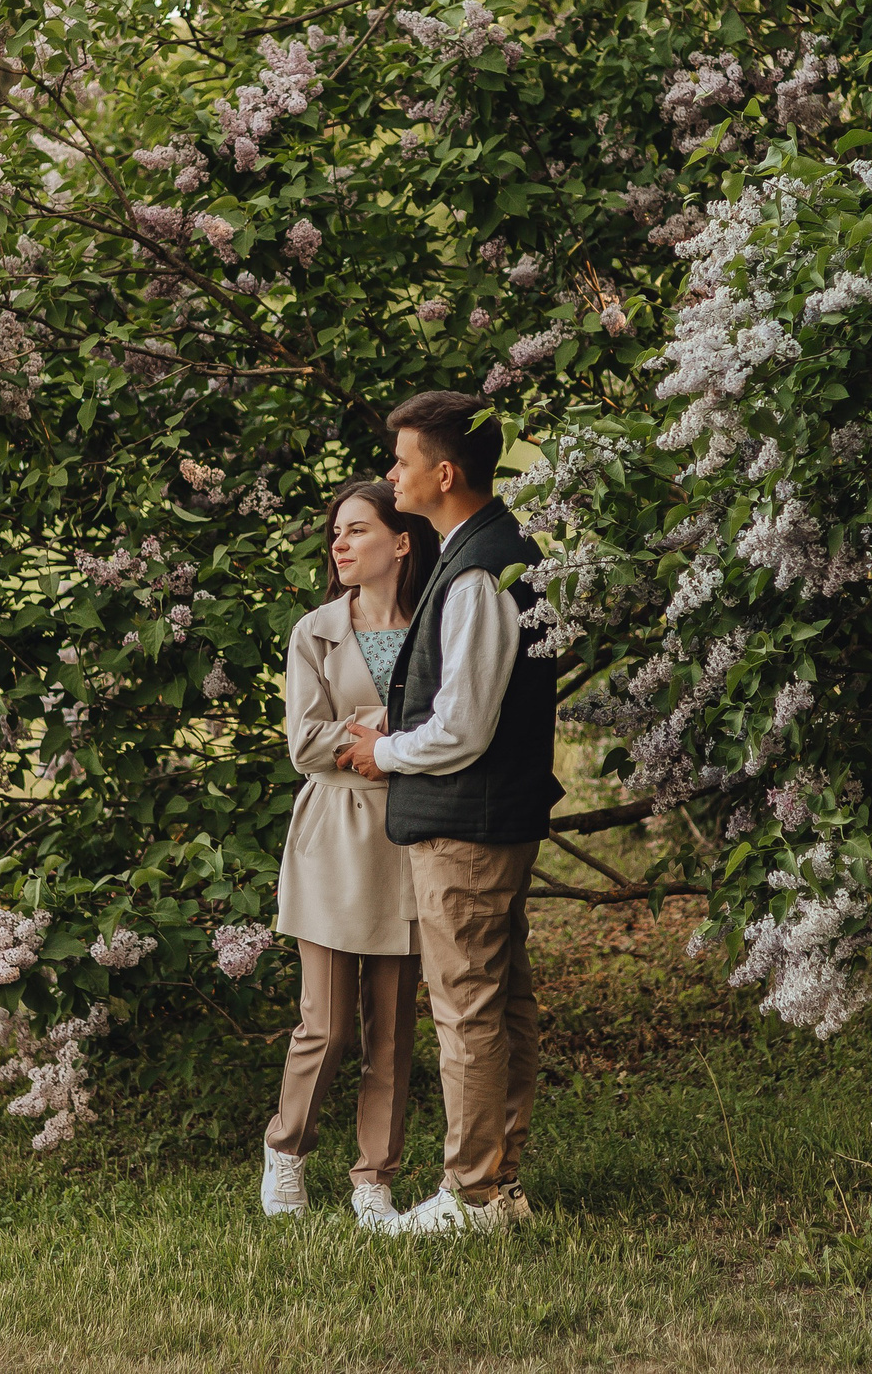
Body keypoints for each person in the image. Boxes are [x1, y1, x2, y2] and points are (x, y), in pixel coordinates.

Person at [339, 391, 564, 1236]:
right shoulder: (489, 549)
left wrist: (385, 752)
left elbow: (465, 728)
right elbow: (471, 700)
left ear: (442, 473)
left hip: (468, 824)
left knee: (467, 1007)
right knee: (499, 1001)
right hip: (490, 815)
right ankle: (498, 1182)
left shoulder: (476, 572)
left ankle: (472, 1196)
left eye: (401, 461)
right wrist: (399, 724)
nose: (390, 473)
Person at [260, 480, 440, 1230]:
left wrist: (376, 737)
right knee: (327, 1025)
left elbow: (458, 722)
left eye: (357, 529)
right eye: (336, 531)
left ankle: (375, 1178)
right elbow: (306, 744)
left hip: (409, 838)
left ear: (401, 542)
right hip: (333, 839)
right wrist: (395, 733)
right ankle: (286, 1150)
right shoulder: (315, 632)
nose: (339, 543)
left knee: (391, 1034)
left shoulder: (436, 623)